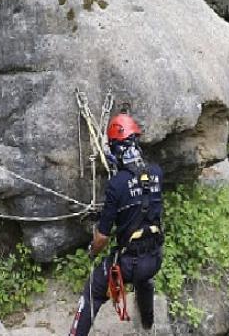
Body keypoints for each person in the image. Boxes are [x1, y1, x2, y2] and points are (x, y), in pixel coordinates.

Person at [69, 110, 164, 336]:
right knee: (144, 277)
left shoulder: (116, 185)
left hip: (129, 264)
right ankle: (148, 324)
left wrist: (92, 251)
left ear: (117, 149)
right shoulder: (157, 173)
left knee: (93, 290)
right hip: (155, 258)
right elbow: (142, 197)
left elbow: (102, 237)